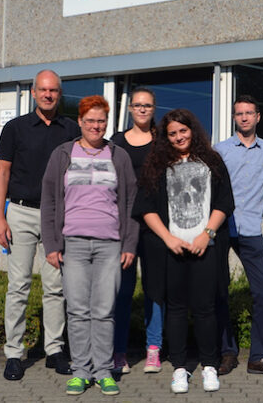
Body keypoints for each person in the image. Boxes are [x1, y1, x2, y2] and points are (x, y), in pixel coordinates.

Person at [41, 95, 139, 396]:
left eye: (101, 121)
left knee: (105, 309)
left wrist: (129, 244)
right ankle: (81, 370)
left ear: (106, 123)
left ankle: (104, 370)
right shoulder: (62, 154)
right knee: (78, 309)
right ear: (80, 122)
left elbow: (131, 201)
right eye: (90, 120)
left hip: (110, 243)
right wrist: (51, 245)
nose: (96, 126)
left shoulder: (118, 156)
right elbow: (50, 201)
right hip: (73, 243)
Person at [134, 109, 234, 394]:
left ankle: (209, 366)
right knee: (175, 310)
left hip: (205, 249)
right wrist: (167, 238)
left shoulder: (212, 161)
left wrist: (207, 234)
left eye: (183, 131)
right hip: (172, 251)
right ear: (166, 137)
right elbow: (145, 207)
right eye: (173, 133)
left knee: (205, 309)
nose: (179, 137)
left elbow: (224, 202)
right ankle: (179, 368)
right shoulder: (157, 164)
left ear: (193, 130)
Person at [0, 69, 79, 381]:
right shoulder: (15, 128)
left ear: (59, 94)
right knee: (18, 287)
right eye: (43, 90)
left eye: (53, 91)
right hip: (20, 212)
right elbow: (1, 173)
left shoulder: (71, 129)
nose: (48, 95)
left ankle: (54, 349)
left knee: (56, 287)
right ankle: (14, 353)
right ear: (33, 93)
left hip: (58, 216)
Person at [215, 95, 263, 378]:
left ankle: (258, 357)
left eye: (249, 113)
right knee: (219, 292)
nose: (244, 117)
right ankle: (228, 353)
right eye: (239, 114)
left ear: (259, 116)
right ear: (234, 118)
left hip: (250, 231)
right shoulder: (220, 150)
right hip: (222, 230)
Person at [111, 86, 164, 374]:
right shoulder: (117, 142)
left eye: (148, 105)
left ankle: (153, 349)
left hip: (156, 226)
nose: (142, 109)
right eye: (138, 105)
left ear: (154, 109)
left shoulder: (161, 141)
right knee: (122, 291)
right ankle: (119, 352)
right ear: (130, 109)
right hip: (124, 226)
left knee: (155, 290)